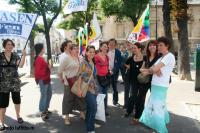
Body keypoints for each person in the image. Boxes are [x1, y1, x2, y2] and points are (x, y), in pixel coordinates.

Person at [139, 37, 176, 133]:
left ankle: (160, 129)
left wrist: (151, 71)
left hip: (161, 85)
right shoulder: (161, 57)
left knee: (157, 107)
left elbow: (152, 69)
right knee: (159, 105)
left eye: (161, 45)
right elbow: (152, 68)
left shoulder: (169, 56)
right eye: (158, 45)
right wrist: (153, 70)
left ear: (167, 46)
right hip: (156, 84)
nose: (158, 47)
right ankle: (163, 121)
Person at [0, 39, 26, 131]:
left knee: (17, 101)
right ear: (4, 46)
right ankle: (2, 122)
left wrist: (24, 55)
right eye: (8, 44)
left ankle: (18, 116)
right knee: (3, 105)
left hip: (15, 83)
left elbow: (21, 65)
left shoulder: (15, 55)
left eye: (11, 44)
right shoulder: (0, 55)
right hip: (3, 84)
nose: (10, 46)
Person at [58, 44, 85, 125]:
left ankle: (82, 113)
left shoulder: (80, 58)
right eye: (75, 49)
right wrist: (61, 79)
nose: (77, 50)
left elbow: (82, 69)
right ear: (70, 50)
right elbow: (60, 70)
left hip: (78, 82)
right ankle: (67, 117)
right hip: (69, 82)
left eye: (77, 48)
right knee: (68, 100)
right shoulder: (66, 58)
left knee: (80, 98)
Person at [77, 46, 97, 133]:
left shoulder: (93, 62)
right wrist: (78, 89)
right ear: (86, 52)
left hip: (93, 88)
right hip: (86, 88)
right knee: (93, 107)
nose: (92, 53)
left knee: (90, 107)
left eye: (93, 52)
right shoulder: (83, 63)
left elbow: (94, 76)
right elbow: (79, 77)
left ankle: (88, 122)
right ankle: (90, 129)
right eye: (90, 52)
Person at [124, 42, 145, 120]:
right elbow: (125, 63)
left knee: (141, 97)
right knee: (133, 96)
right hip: (133, 80)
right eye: (132, 48)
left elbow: (149, 66)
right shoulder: (131, 58)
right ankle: (129, 111)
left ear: (139, 49)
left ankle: (139, 113)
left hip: (142, 80)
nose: (133, 49)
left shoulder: (145, 57)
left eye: (135, 48)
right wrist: (129, 67)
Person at [34, 43, 52, 121]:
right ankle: (42, 111)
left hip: (46, 79)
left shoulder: (41, 58)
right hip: (43, 80)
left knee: (49, 94)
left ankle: (45, 109)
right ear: (41, 49)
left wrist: (48, 67)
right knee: (44, 95)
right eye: (43, 48)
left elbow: (43, 69)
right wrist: (48, 68)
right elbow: (38, 72)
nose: (44, 49)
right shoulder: (39, 58)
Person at [95, 41, 110, 115]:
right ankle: (99, 111)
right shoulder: (96, 56)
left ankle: (105, 110)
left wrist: (109, 72)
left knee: (105, 94)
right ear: (100, 48)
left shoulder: (107, 57)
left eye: (106, 47)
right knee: (100, 94)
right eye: (104, 46)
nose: (105, 48)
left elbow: (107, 66)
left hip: (105, 78)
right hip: (98, 78)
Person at [108, 38, 122, 106]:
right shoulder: (105, 51)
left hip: (114, 73)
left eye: (113, 44)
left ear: (115, 45)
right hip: (106, 72)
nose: (111, 45)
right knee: (105, 87)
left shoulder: (118, 52)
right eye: (110, 44)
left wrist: (113, 71)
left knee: (114, 87)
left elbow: (119, 63)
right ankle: (104, 102)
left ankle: (115, 101)